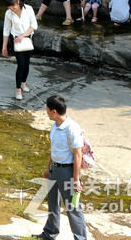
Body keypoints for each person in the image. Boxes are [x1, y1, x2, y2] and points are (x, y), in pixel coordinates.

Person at [40, 95, 88, 240]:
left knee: (73, 208)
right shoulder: (55, 125)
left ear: (54, 111)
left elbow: (78, 155)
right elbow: (54, 149)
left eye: (47, 110)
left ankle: (80, 238)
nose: (46, 112)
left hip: (67, 171)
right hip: (55, 169)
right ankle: (50, 233)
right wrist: (48, 168)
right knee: (53, 203)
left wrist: (76, 180)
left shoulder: (72, 128)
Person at [2, 0, 38, 100]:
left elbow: (34, 25)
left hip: (28, 39)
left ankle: (24, 83)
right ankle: (18, 89)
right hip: (16, 41)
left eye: (13, 6)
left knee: (26, 63)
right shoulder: (8, 13)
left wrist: (23, 35)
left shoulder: (28, 9)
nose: (11, 9)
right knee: (20, 64)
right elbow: (6, 29)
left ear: (18, 2)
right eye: (9, 7)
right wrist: (4, 46)